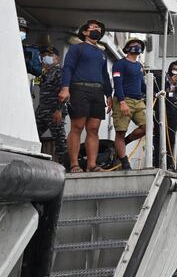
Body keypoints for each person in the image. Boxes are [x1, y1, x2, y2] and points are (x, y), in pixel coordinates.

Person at [59, 20, 112, 173]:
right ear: (85, 32)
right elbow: (68, 68)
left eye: (99, 28)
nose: (97, 30)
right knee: (77, 127)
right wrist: (65, 88)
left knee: (93, 129)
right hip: (79, 89)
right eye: (93, 27)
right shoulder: (77, 48)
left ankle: (92, 165)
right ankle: (74, 164)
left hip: (97, 92)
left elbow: (105, 75)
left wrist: (109, 94)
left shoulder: (102, 53)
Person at [111, 39, 148, 170]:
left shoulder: (139, 66)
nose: (136, 47)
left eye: (139, 45)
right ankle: (124, 162)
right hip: (123, 100)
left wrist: (153, 93)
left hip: (138, 101)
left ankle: (125, 142)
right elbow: (117, 83)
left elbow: (142, 85)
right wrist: (121, 102)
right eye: (133, 44)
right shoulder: (119, 64)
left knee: (147, 127)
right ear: (127, 48)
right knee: (120, 132)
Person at [153, 61, 177, 169]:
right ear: (170, 69)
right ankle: (157, 163)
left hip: (174, 115)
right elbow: (159, 93)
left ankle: (169, 163)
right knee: (159, 138)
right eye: (175, 70)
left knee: (172, 139)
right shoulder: (161, 80)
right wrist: (169, 83)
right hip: (162, 113)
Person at [35, 46, 66, 165]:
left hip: (54, 112)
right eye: (44, 55)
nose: (46, 57)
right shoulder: (45, 73)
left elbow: (64, 93)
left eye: (50, 55)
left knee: (60, 142)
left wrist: (59, 110)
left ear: (57, 58)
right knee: (34, 136)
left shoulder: (59, 72)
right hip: (42, 111)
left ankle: (67, 167)